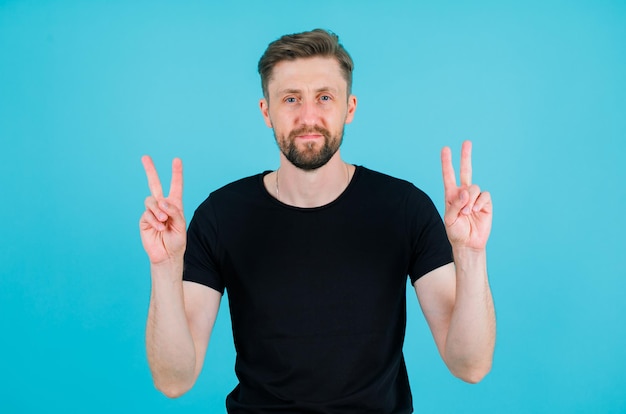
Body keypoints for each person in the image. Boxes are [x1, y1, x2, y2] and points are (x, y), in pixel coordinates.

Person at [139, 29, 495, 413]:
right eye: (291, 99)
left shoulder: (404, 208)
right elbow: (174, 380)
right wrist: (165, 266)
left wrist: (471, 253)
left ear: (350, 107)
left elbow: (470, 365)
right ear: (266, 112)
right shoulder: (221, 216)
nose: (308, 116)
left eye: (324, 97)